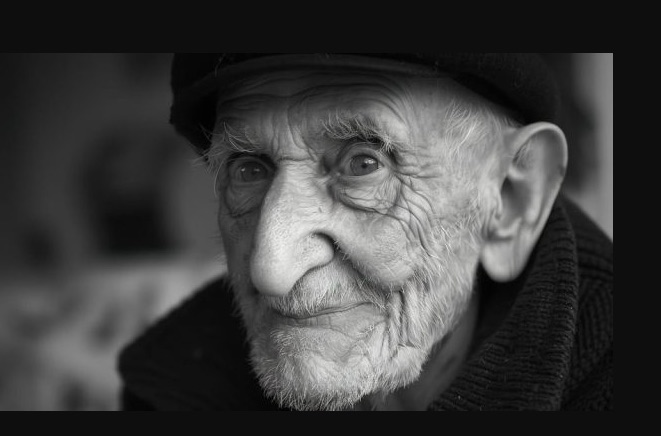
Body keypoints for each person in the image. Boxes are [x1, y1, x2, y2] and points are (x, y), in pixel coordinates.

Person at [118, 53, 613, 411]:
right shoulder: (172, 384)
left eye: (363, 164)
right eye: (249, 169)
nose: (271, 270)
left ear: (509, 198)